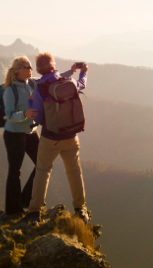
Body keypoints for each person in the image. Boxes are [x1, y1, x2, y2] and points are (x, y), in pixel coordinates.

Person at [23, 52, 91, 222]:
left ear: (39, 70)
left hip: (50, 139)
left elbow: (37, 118)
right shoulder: (68, 82)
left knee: (42, 172)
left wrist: (30, 102)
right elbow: (81, 84)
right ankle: (80, 208)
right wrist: (83, 72)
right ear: (53, 66)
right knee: (74, 172)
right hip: (71, 136)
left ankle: (34, 211)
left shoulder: (40, 89)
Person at [1, 56, 40, 215]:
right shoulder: (10, 90)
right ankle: (13, 210)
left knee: (43, 165)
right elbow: (9, 115)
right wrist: (25, 113)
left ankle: (25, 199)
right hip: (14, 134)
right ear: (19, 70)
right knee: (15, 171)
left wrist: (70, 73)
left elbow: (48, 79)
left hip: (31, 132)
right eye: (29, 67)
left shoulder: (31, 83)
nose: (32, 69)